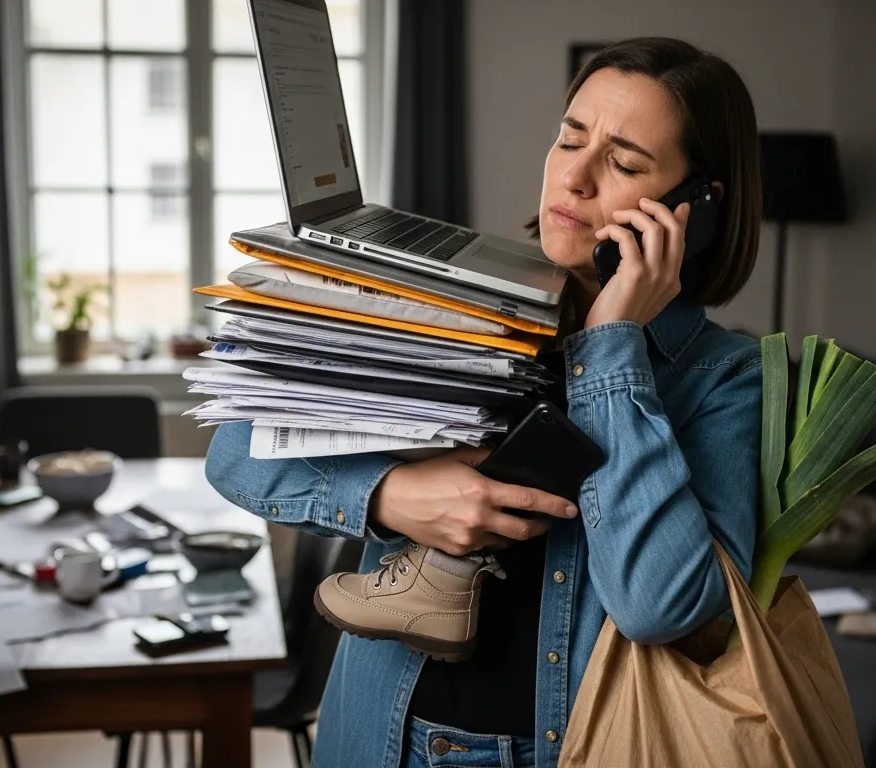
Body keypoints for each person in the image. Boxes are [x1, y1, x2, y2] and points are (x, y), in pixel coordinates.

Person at [205, 36, 764, 768]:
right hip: (376, 737)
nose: (577, 178)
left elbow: (662, 604)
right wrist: (392, 495)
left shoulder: (725, 377)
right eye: (569, 140)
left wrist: (613, 345)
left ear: (694, 208)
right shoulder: (465, 306)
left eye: (624, 163)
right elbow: (235, 449)